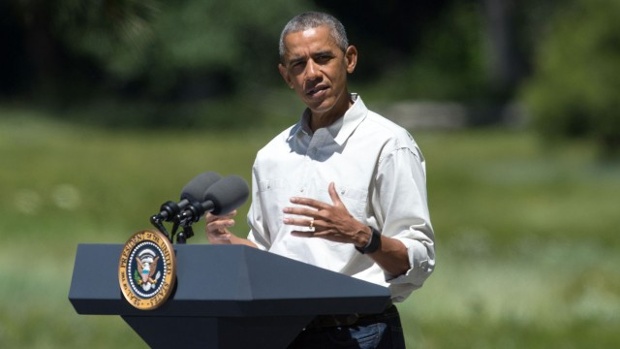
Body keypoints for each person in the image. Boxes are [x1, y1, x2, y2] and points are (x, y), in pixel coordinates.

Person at [205, 11, 435, 349]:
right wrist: (233, 247)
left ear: (350, 59)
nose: (312, 74)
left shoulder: (388, 144)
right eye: (298, 65)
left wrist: (361, 235)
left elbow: (418, 260)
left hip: (362, 333)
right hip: (283, 333)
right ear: (286, 76)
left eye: (323, 58)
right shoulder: (271, 156)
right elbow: (271, 255)